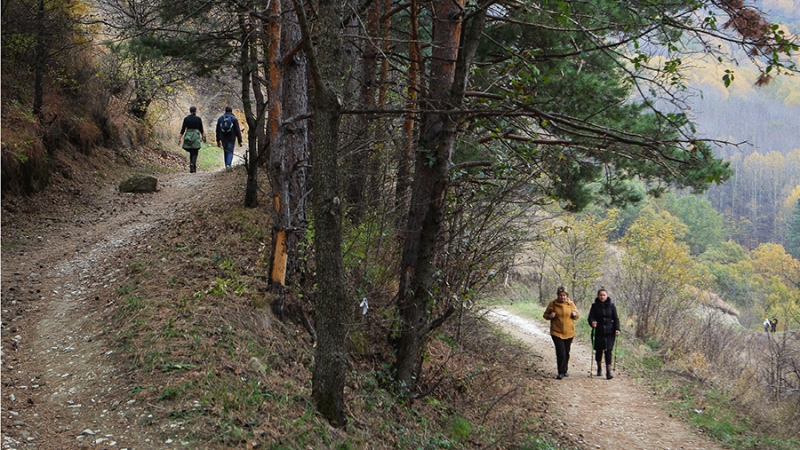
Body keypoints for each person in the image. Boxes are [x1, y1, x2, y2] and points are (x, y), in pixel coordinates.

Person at [543, 286, 580, 379]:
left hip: (569, 332)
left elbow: (577, 315)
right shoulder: (553, 304)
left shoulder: (571, 304)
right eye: (561, 295)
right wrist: (550, 316)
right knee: (561, 352)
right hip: (557, 332)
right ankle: (560, 371)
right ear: (558, 295)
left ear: (567, 295)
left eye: (564, 295)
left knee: (567, 352)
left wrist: (574, 314)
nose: (562, 297)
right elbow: (545, 315)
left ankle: (565, 370)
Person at [588, 288, 620, 380]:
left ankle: (608, 372)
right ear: (598, 296)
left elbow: (616, 319)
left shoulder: (611, 306)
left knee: (608, 351)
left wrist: (617, 329)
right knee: (599, 351)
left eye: (604, 295)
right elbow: (590, 318)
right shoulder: (594, 306)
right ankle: (599, 368)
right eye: (600, 295)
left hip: (610, 332)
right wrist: (592, 323)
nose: (602, 297)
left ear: (607, 296)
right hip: (598, 331)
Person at [179, 106, 205, 173]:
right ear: (195, 111)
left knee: (191, 150)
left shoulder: (186, 119)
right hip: (196, 135)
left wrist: (179, 138)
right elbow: (201, 129)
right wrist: (203, 136)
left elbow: (183, 129)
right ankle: (193, 164)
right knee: (195, 151)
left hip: (188, 135)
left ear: (190, 111)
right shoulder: (198, 119)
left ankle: (192, 165)